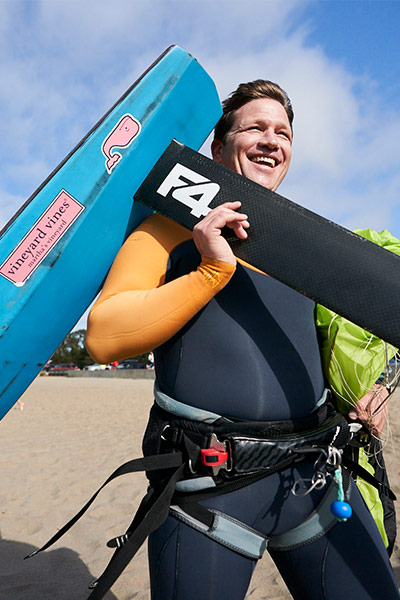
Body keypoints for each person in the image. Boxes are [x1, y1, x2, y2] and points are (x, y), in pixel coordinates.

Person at [85, 80, 400, 599]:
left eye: (283, 132)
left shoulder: (305, 245)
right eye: (254, 127)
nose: (271, 140)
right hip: (211, 491)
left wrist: (368, 396)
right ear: (217, 147)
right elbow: (104, 335)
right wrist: (211, 269)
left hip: (313, 478)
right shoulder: (167, 230)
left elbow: (332, 342)